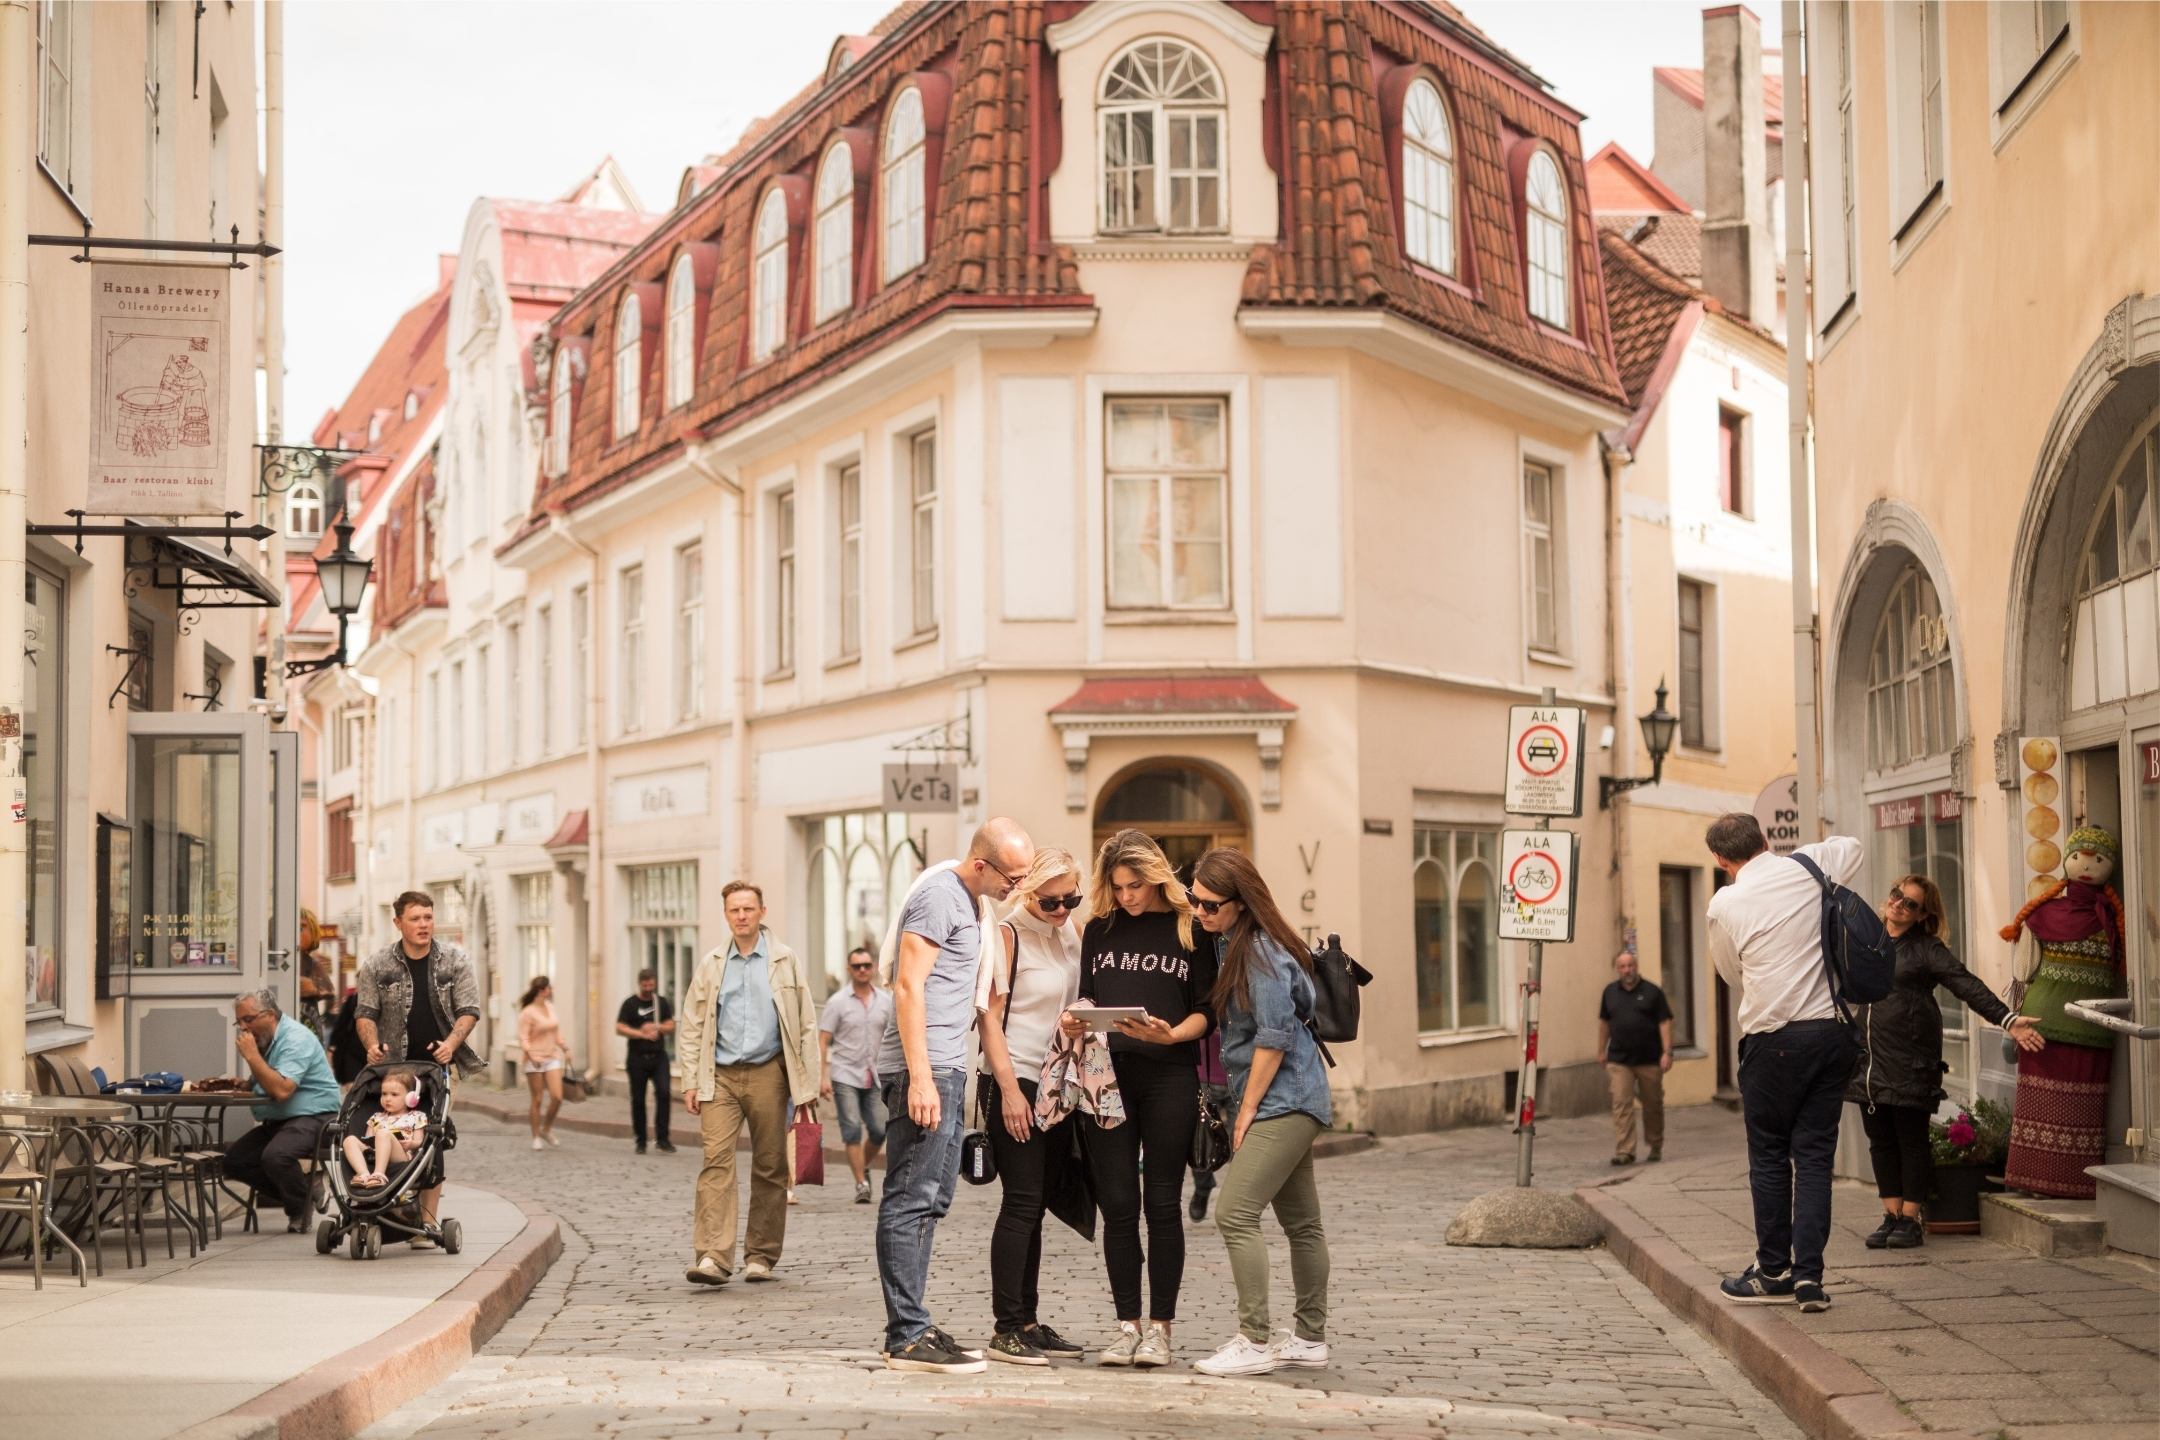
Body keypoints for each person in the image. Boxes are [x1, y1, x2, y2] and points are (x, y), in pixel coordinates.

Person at [875, 817, 1035, 1374]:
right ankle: (906, 1335)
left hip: (945, 1066)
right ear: (982, 864)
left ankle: (912, 1323)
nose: (1019, 887)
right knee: (912, 1198)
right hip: (926, 1069)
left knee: (932, 1198)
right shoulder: (941, 897)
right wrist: (920, 1077)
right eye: (1013, 877)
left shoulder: (972, 905)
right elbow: (907, 985)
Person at [1064, 827, 1216, 1370]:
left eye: (1136, 885)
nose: (1127, 895)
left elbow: (1207, 1010)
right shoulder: (1098, 930)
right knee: (1120, 1207)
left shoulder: (1187, 928)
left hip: (1169, 1077)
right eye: (1118, 885)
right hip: (1108, 1077)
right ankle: (1126, 1325)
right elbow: (1087, 993)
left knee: (1163, 1206)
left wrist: (1173, 1034)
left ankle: (1160, 1330)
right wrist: (1075, 1017)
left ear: (1156, 878)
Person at [1705, 813, 1862, 1314]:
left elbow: (1730, 971)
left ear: (1720, 860)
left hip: (1773, 1038)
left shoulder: (1726, 902)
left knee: (1770, 1155)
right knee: (1814, 1157)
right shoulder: (1809, 864)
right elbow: (1854, 846)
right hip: (1832, 1032)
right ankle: (1810, 1280)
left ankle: (1773, 1271)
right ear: (1767, 840)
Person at [1186, 849, 1333, 1378]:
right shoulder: (1234, 943)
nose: (1198, 912)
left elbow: (1274, 1037)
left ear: (1241, 903)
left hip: (1285, 1101)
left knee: (1235, 1213)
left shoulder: (1260, 954)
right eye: (1193, 900)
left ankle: (1253, 1339)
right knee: (1302, 1222)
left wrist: (1245, 1113)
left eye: (1208, 904)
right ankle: (1311, 1338)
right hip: (1292, 1098)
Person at [1852, 874, 2043, 1247]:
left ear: (1923, 915)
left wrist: (2008, 1019)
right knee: (1880, 1141)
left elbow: (1965, 983)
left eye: (1911, 903)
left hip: (1909, 1059)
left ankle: (1911, 1219)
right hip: (1868, 1062)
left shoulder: (1926, 949)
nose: (1899, 904)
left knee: (1911, 1141)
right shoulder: (1867, 941)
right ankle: (1890, 1215)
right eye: (1897, 895)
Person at [675, 881, 820, 1287]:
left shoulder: (783, 960)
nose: (741, 916)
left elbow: (806, 1024)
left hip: (768, 1073)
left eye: (748, 909)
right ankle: (712, 1258)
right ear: (726, 915)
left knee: (771, 1164)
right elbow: (692, 1024)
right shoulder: (712, 963)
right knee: (715, 1162)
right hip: (719, 1076)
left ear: (761, 912)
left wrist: (806, 1086)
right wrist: (690, 1080)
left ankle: (760, 1255)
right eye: (734, 910)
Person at [978, 848, 1089, 1366]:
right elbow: (989, 1021)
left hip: (1058, 1082)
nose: (1063, 909)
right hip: (1016, 1076)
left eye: (1072, 898)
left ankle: (1027, 1320)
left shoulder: (1071, 932)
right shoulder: (1007, 935)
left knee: (1038, 1203)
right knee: (1021, 1201)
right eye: (1052, 901)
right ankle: (1005, 1329)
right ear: (1029, 893)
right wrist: (1009, 1092)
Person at [356, 891, 485, 1247]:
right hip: (392, 1069)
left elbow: (470, 1009)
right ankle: (389, 1202)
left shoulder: (455, 960)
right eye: (415, 918)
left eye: (428, 917)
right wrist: (371, 1045)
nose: (424, 924)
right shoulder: (377, 964)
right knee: (385, 1129)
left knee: (431, 1134)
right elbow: (365, 1013)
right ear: (398, 923)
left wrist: (452, 1045)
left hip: (438, 1068)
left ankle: (425, 1223)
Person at [220, 988, 342, 1233]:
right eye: (239, 1021)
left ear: (270, 1015)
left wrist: (252, 1058)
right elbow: (269, 1080)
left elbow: (283, 1090)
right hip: (281, 1120)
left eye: (248, 1019)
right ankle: (304, 1192)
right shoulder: (266, 1039)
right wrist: (245, 1084)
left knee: (276, 1156)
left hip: (315, 1116)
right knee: (235, 1161)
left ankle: (298, 1208)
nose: (243, 1027)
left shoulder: (295, 1039)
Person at [819, 946, 893, 1204]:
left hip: (875, 1074)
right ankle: (861, 1183)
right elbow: (824, 1038)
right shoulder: (837, 1002)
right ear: (849, 970)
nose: (862, 970)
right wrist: (823, 1076)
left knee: (879, 1129)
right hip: (845, 1074)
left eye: (866, 965)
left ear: (873, 968)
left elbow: (895, 1036)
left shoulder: (886, 1001)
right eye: (857, 966)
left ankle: (863, 1166)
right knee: (850, 1130)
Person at [1598, 948, 1674, 1166]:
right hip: (1619, 1059)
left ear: (1636, 967)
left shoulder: (1653, 992)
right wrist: (1601, 1050)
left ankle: (1655, 1145)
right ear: (1617, 969)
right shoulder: (1609, 992)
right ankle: (1625, 1150)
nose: (1627, 970)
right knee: (1621, 1104)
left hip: (1650, 1059)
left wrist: (1667, 1052)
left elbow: (1665, 1022)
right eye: (1622, 966)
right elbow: (1604, 1023)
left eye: (1630, 965)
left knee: (1652, 1105)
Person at [616, 969, 677, 1155]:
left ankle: (663, 1138)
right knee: (638, 1099)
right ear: (639, 983)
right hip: (637, 1058)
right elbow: (619, 1027)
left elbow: (671, 1026)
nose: (648, 988)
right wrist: (640, 1033)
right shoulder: (630, 1003)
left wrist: (657, 1027)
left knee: (664, 1093)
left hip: (659, 1057)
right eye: (645, 985)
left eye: (651, 985)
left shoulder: (661, 1002)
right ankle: (641, 1140)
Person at [342, 1068, 426, 1188]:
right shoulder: (376, 1118)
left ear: (410, 1098)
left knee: (383, 1133)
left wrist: (411, 1144)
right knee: (349, 1140)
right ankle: (363, 1173)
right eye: (384, 1094)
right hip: (375, 1153)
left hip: (400, 1156)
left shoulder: (417, 1116)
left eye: (394, 1095)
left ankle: (379, 1174)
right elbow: (368, 1140)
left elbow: (419, 1141)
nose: (387, 1099)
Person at [517, 975, 567, 1151]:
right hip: (535, 1059)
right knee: (537, 1099)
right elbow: (523, 1038)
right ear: (542, 990)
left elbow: (555, 1031)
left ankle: (546, 1129)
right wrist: (530, 1055)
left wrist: (565, 1048)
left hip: (552, 1056)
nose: (551, 991)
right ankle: (536, 1136)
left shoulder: (550, 1007)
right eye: (549, 988)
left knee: (557, 1097)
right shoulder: (527, 1012)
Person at [1188, 1032, 1229, 1222]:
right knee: (1200, 1138)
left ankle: (1239, 1201)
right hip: (1204, 1076)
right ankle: (1203, 1188)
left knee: (1247, 1143)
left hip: (1243, 1078)